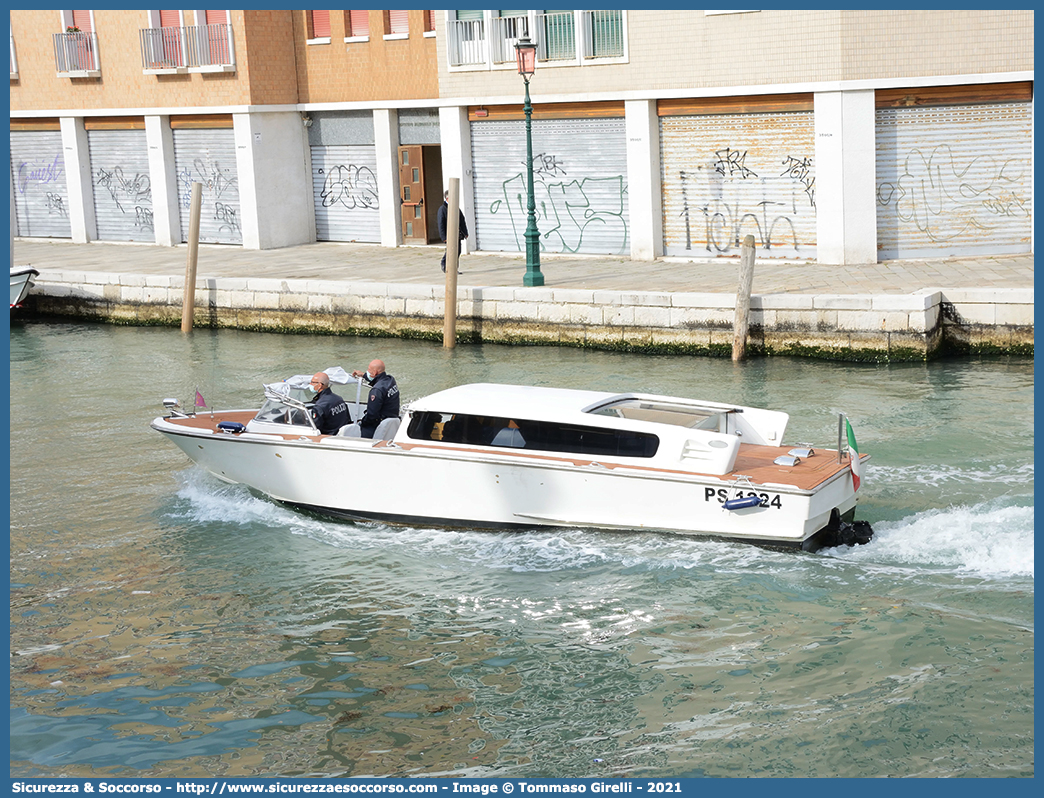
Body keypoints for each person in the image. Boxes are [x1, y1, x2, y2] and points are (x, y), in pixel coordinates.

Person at [350, 359, 400, 439]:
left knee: (355, 431)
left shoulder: (376, 390)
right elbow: (377, 378)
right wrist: (363, 375)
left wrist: (362, 422)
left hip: (378, 424)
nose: (367, 371)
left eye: (369, 370)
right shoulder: (390, 380)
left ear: (375, 372)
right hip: (392, 421)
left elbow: (372, 415)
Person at [437, 190, 468, 273]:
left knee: (457, 251)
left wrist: (465, 232)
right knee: (450, 251)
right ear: (447, 198)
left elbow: (462, 220)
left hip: (457, 234)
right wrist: (444, 237)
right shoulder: (442, 209)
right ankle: (445, 264)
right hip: (449, 235)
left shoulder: (455, 208)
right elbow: (441, 224)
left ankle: (454, 268)